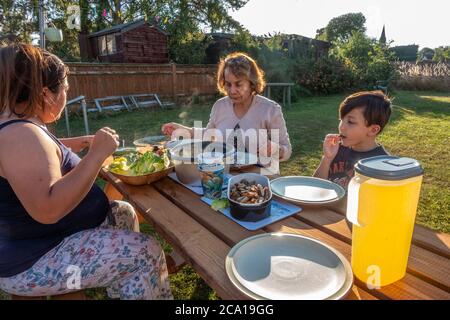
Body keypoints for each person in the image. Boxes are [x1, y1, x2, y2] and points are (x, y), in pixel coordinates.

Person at [0, 43, 172, 299]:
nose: (66, 95)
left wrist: (77, 143)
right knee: (144, 251)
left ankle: (125, 286)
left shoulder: (19, 126)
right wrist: (97, 155)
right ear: (46, 94)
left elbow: (40, 156)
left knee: (122, 213)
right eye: (65, 90)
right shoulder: (22, 135)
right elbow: (48, 209)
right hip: (36, 257)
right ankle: (136, 274)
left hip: (43, 241)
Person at [161, 52, 292, 162]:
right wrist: (182, 130)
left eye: (238, 84)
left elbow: (287, 150)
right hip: (224, 173)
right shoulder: (220, 106)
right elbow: (208, 135)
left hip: (258, 176)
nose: (232, 90)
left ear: (252, 83)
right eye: (228, 84)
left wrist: (277, 150)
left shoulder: (270, 109)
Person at [314, 91, 392, 189]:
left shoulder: (383, 163)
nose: (341, 127)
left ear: (373, 130)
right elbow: (315, 187)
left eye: (350, 122)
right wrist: (327, 159)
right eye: (341, 120)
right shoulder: (337, 149)